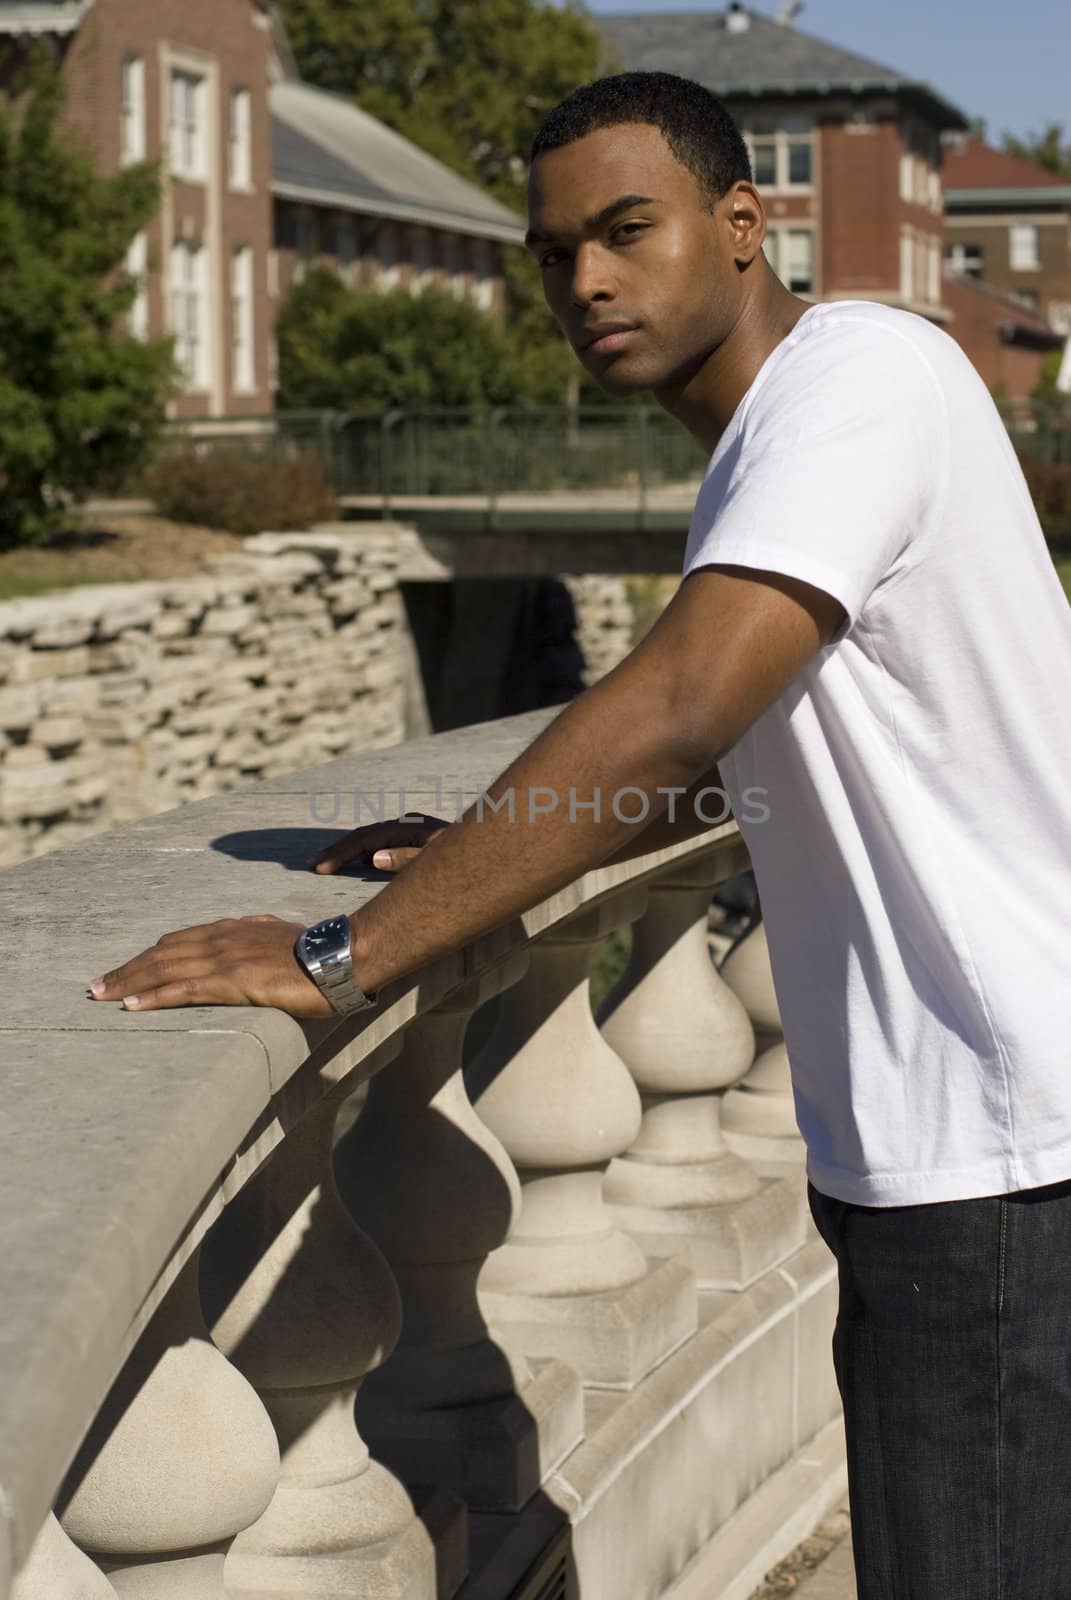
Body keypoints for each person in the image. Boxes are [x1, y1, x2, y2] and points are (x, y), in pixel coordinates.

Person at [88, 72, 1071, 1598]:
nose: (589, 281)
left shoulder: (856, 381)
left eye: (628, 230)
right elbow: (759, 739)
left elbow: (680, 700)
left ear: (743, 226)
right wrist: (487, 843)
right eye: (555, 255)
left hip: (1002, 1150)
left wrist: (340, 955)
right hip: (956, 1140)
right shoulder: (787, 429)